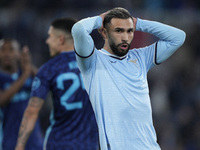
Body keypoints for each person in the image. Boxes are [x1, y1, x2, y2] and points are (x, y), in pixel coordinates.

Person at [71, 7, 186, 150]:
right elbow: (78, 29)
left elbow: (178, 37)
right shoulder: (92, 60)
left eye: (129, 31)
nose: (125, 37)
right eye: (119, 31)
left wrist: (138, 23)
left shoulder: (141, 57)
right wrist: (100, 19)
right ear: (104, 32)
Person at [15, 18, 99, 150]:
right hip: (88, 143)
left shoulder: (49, 68)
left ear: (61, 39)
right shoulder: (95, 64)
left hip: (58, 143)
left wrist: (19, 146)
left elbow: (32, 111)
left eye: (50, 36)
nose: (47, 41)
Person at [0, 38, 43, 150]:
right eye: (3, 50)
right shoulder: (2, 78)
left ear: (19, 54)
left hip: (34, 139)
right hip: (10, 140)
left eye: (11, 50)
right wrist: (25, 75)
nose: (7, 54)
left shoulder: (29, 73)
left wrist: (30, 66)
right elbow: (2, 100)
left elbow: (46, 83)